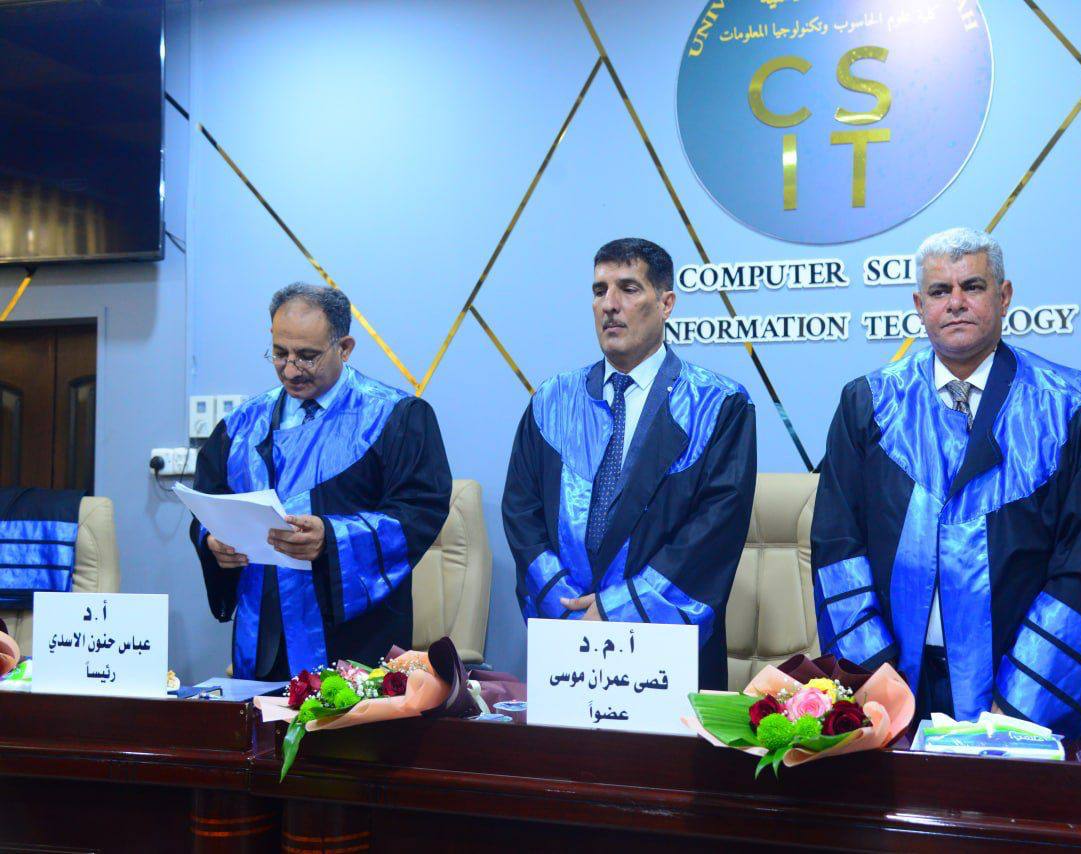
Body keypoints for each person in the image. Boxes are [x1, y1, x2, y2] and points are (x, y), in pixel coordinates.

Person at [810, 227, 1081, 737]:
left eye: (972, 286)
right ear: (920, 306)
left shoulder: (1075, 408)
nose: (955, 302)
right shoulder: (868, 404)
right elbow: (837, 547)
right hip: (894, 686)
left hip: (1016, 693)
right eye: (940, 291)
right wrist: (874, 683)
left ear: (1004, 296)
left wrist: (1018, 708)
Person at [502, 238, 756, 690]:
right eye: (599, 291)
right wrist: (565, 605)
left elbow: (714, 531)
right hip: (566, 650)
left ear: (666, 303)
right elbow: (521, 512)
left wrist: (617, 610)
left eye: (629, 288)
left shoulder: (718, 405)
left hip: (667, 661)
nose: (610, 305)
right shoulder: (552, 401)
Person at [190, 283, 452, 680]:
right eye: (280, 353)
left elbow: (420, 512)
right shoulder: (241, 425)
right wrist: (213, 541)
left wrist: (331, 539)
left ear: (344, 348)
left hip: (357, 640)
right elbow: (206, 505)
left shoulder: (396, 417)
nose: (290, 369)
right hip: (264, 637)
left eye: (307, 356)